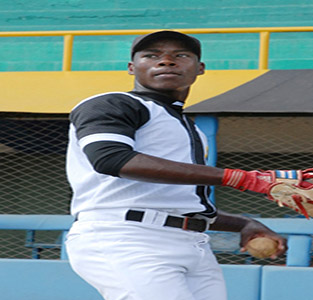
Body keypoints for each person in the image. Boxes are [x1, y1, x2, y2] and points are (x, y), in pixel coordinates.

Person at [65, 30, 287, 300]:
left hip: (192, 244)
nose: (167, 61)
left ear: (200, 68)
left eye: (180, 55)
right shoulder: (112, 103)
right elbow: (111, 158)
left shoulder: (188, 127)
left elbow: (175, 203)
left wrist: (244, 223)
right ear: (132, 68)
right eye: (152, 55)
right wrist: (242, 178)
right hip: (125, 237)